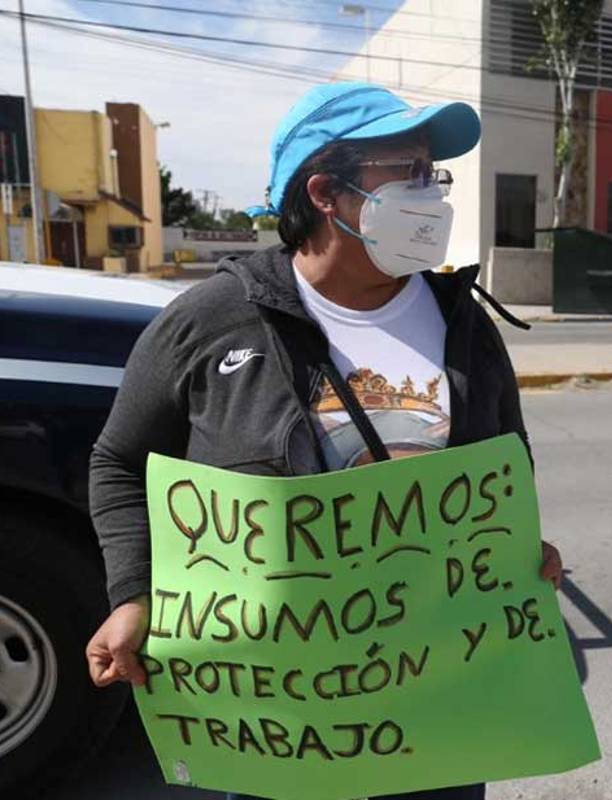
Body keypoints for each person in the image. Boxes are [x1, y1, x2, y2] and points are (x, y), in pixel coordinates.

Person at [84, 81, 563, 800]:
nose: (430, 193)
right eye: (406, 172)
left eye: (433, 173)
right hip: (287, 722)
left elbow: (507, 461)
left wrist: (519, 546)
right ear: (326, 192)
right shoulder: (210, 322)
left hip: (441, 707)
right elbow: (117, 462)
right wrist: (133, 594)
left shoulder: (466, 325)